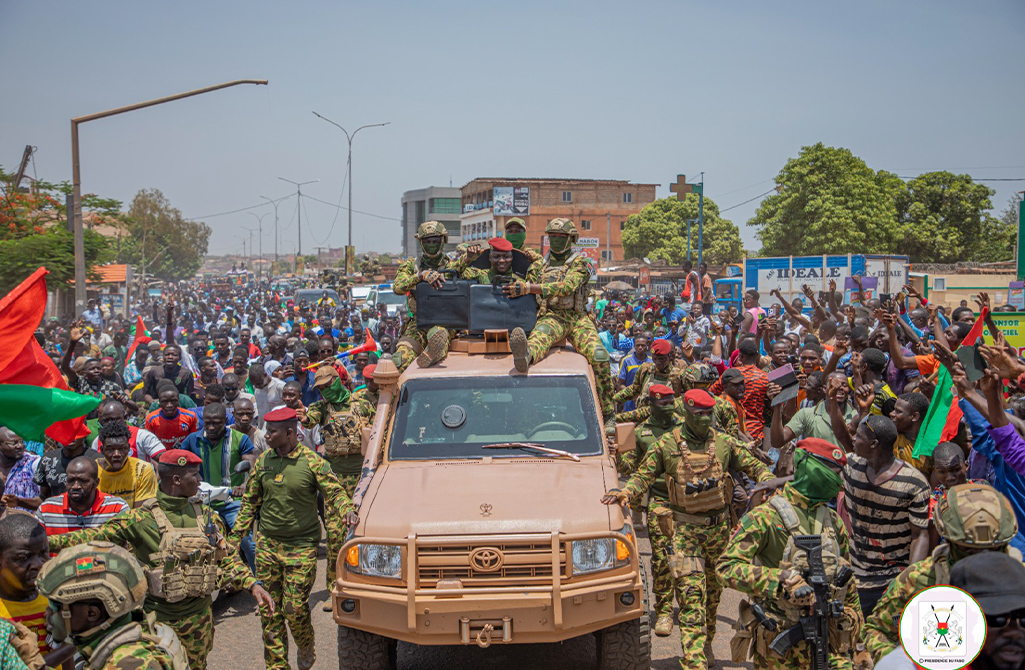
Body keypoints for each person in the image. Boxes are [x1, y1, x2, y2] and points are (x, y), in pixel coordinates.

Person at [47, 448, 273, 669]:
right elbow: (92, 536)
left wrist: (253, 584)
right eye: (194, 475)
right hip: (159, 622)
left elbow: (226, 556)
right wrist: (45, 543)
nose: (199, 480)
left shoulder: (205, 515)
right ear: (176, 479)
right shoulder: (140, 519)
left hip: (200, 619)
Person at [602, 388, 774, 668]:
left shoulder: (724, 443)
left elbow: (756, 467)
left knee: (713, 599)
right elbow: (643, 476)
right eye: (699, 414)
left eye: (709, 414)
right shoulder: (666, 444)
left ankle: (705, 645)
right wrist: (625, 493)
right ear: (687, 413)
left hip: (719, 532)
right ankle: (694, 662)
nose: (705, 419)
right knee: (692, 598)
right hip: (685, 533)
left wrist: (769, 483)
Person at [717, 438, 863, 670]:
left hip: (828, 640)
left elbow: (847, 582)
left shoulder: (833, 521)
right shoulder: (766, 516)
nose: (836, 481)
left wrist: (859, 645)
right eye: (831, 472)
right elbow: (726, 568)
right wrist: (779, 580)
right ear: (809, 468)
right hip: (780, 642)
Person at [232, 407, 356, 670]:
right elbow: (249, 503)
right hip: (267, 545)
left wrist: (347, 511)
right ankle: (277, 666)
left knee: (295, 609)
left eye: (272, 431)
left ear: (289, 433)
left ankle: (305, 642)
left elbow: (334, 491)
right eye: (266, 430)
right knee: (269, 610)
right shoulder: (263, 462)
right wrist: (235, 538)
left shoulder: (312, 462)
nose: (266, 435)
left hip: (301, 547)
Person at [862, 483, 1020, 661]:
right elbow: (877, 629)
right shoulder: (918, 579)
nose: (980, 560)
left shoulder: (1020, 582)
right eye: (968, 550)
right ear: (949, 540)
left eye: (993, 550)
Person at [506, 218, 614, 418]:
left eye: (561, 236)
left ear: (571, 238)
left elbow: (567, 287)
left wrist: (529, 288)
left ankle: (607, 414)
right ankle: (524, 356)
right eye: (552, 236)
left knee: (599, 355)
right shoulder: (538, 266)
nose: (555, 240)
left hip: (577, 318)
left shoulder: (582, 263)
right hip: (552, 315)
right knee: (539, 338)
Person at [37, 541, 189, 670]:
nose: (48, 613)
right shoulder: (137, 630)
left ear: (91, 613)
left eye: (55, 605)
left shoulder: (126, 663)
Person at [617, 384, 684, 637]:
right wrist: (620, 455)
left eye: (670, 404)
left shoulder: (685, 427)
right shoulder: (642, 432)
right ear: (652, 405)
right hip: (660, 501)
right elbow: (630, 468)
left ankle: (689, 607)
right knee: (662, 558)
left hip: (689, 502)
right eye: (661, 405)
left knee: (689, 559)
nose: (667, 409)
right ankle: (665, 611)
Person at [180, 402, 257, 569]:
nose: (212, 427)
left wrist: (244, 484)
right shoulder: (192, 440)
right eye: (207, 422)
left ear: (225, 420)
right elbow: (181, 465)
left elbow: (251, 464)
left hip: (231, 501)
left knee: (248, 543)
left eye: (217, 423)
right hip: (200, 503)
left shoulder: (239, 439)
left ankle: (261, 582)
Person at [0, 515, 75, 669]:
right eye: (24, 557)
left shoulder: (54, 597)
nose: (38, 564)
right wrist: (72, 645)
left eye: (43, 553)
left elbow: (66, 660)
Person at [391, 220, 465, 371]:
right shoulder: (412, 265)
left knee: (438, 335)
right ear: (421, 242)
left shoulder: (453, 266)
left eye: (435, 241)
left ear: (443, 241)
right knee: (398, 361)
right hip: (418, 322)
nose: (432, 244)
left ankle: (432, 353)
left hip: (445, 321)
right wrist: (420, 276)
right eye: (427, 241)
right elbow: (397, 287)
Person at [37, 456, 129, 538]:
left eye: (83, 481)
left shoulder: (117, 508)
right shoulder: (46, 509)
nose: (75, 486)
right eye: (71, 480)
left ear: (96, 482)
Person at [96, 420, 158, 509]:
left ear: (128, 448)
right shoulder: (92, 471)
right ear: (102, 450)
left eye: (122, 448)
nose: (116, 454)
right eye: (110, 449)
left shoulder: (142, 469)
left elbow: (141, 513)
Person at [90, 399, 166, 464]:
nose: (111, 424)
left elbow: (163, 459)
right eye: (106, 421)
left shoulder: (142, 436)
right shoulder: (97, 441)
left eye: (114, 419)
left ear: (125, 417)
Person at [33, 435, 101, 500]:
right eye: (66, 432)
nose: (70, 436)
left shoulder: (97, 460)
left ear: (85, 434)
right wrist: (22, 502)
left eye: (75, 432)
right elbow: (43, 498)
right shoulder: (48, 459)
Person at [144, 384, 202, 450]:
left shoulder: (190, 417)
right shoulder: (151, 419)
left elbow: (193, 440)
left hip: (184, 455)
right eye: (165, 401)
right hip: (160, 456)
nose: (169, 405)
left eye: (173, 401)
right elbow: (149, 443)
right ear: (159, 402)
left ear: (178, 400)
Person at [0, 427, 41, 512]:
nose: (20, 446)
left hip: (27, 522)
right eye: (14, 443)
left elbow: (45, 500)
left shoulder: (34, 463)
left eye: (21, 442)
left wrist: (19, 502)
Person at [248, 362, 284, 428]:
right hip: (263, 428)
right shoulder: (256, 387)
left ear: (265, 374)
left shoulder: (279, 386)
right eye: (254, 384)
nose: (257, 386)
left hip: (279, 427)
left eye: (259, 383)